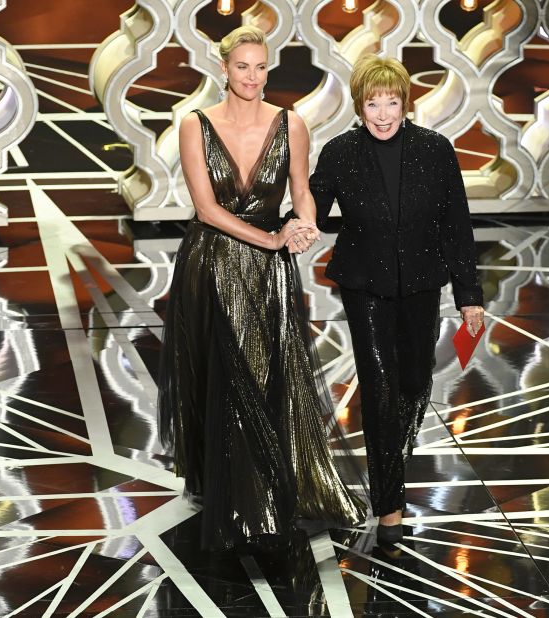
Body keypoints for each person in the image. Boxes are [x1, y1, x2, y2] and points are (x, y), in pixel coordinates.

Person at [157, 25, 366, 551]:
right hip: (214, 265)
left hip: (270, 270)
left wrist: (306, 223)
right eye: (243, 66)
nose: (253, 77)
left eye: (261, 67)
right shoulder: (195, 124)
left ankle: (269, 487)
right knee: (227, 376)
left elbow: (302, 190)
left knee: (269, 372)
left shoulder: (291, 123)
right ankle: (239, 499)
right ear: (223, 68)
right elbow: (206, 209)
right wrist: (271, 240)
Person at [309, 55, 485, 547]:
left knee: (413, 382)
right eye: (372, 103)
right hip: (365, 284)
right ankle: (389, 505)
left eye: (392, 102)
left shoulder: (435, 150)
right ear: (359, 104)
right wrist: (277, 222)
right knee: (379, 387)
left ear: (407, 103)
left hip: (424, 284)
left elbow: (456, 226)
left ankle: (392, 461)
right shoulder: (340, 152)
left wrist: (470, 296)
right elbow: (314, 212)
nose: (383, 113)